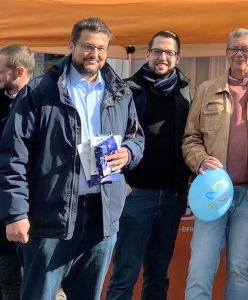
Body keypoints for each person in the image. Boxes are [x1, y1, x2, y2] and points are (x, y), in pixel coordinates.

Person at [0, 17, 145, 300]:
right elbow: (13, 155)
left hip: (101, 217)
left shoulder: (120, 92)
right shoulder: (39, 91)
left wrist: (128, 152)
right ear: (71, 45)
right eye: (88, 46)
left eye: (101, 48)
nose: (95, 54)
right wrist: (16, 213)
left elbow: (136, 137)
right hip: (50, 216)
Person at [182, 28, 248, 300]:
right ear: (226, 53)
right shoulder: (206, 89)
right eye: (233, 49)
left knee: (240, 267)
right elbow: (191, 138)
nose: (239, 54)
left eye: (245, 49)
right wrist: (201, 159)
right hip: (211, 193)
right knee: (201, 265)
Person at [106, 30, 192, 300]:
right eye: (157, 51)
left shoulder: (183, 95)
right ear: (147, 54)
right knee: (125, 274)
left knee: (158, 273)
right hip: (136, 195)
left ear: (177, 57)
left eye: (169, 52)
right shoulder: (127, 90)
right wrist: (121, 181)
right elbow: (109, 137)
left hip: (171, 197)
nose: (162, 57)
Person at [0, 44, 34, 300]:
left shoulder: (43, 104)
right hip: (2, 210)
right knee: (7, 278)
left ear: (18, 72)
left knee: (41, 281)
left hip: (32, 212)